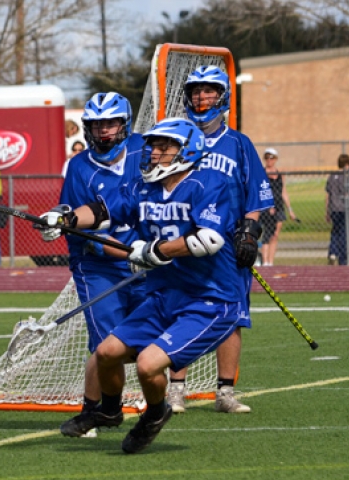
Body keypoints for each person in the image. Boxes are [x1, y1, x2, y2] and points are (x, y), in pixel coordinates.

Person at [38, 118, 242, 453]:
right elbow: (103, 211)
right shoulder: (144, 187)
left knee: (148, 364)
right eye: (154, 146)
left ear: (187, 149)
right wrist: (65, 219)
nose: (154, 153)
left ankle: (154, 414)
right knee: (106, 352)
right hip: (165, 294)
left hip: (208, 299)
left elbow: (208, 239)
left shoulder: (209, 183)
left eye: (164, 147)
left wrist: (154, 250)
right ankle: (108, 409)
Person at [166, 65, 273, 415]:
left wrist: (250, 233)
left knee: (232, 315)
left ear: (222, 95)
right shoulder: (174, 139)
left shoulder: (239, 144)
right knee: (180, 310)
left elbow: (256, 195)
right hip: (184, 240)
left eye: (209, 90)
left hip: (227, 245)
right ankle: (175, 390)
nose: (201, 97)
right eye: (196, 91)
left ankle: (225, 392)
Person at [43, 92, 147, 438]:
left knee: (153, 338)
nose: (104, 131)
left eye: (111, 123)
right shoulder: (79, 166)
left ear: (125, 123)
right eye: (97, 124)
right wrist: (60, 220)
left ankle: (162, 398)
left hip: (149, 259)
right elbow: (77, 225)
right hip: (98, 263)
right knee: (106, 345)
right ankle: (97, 410)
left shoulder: (146, 151)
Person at [258, 148, 296, 266]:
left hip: (279, 207)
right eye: (267, 157)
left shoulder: (280, 174)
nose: (269, 160)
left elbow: (283, 192)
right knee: (267, 234)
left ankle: (271, 261)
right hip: (267, 208)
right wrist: (268, 205)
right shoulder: (262, 173)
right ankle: (265, 261)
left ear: (276, 159)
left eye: (272, 157)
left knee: (275, 235)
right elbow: (261, 192)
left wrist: (290, 209)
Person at [325, 153, 349, 266]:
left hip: (333, 209)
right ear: (346, 165)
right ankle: (343, 259)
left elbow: (328, 196)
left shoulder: (331, 176)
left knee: (335, 232)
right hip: (344, 210)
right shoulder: (346, 178)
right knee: (344, 234)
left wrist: (327, 211)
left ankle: (333, 252)